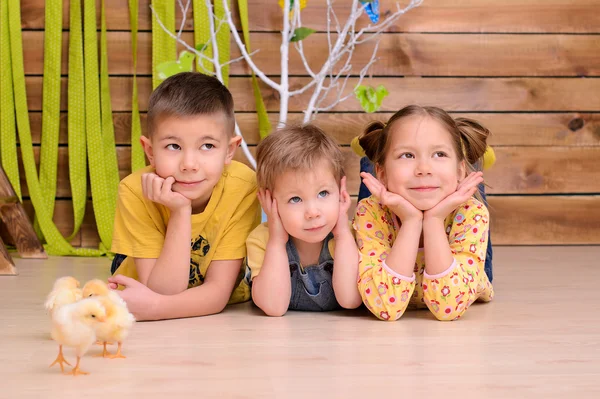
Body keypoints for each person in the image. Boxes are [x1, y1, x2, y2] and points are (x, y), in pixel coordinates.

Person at [108, 72, 261, 321]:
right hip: (149, 278)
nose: (189, 164)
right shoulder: (135, 190)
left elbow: (217, 292)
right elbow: (162, 290)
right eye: (173, 146)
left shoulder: (243, 187)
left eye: (207, 146)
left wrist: (155, 308)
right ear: (150, 150)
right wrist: (180, 211)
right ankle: (125, 257)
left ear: (229, 150)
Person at [353, 105, 494, 321]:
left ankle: (470, 164)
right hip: (390, 199)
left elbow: (449, 308)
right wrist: (411, 221)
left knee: (473, 190)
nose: (423, 168)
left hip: (466, 279)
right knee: (372, 183)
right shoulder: (370, 212)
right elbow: (385, 307)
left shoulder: (471, 213)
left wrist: (435, 220)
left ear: (459, 171)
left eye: (439, 153)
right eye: (407, 155)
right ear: (380, 173)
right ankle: (373, 162)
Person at [246, 124, 362, 316]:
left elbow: (350, 300)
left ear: (341, 192)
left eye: (323, 193)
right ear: (268, 201)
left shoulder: (352, 236)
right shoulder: (262, 241)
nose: (313, 212)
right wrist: (276, 241)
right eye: (295, 199)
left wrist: (341, 234)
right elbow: (274, 307)